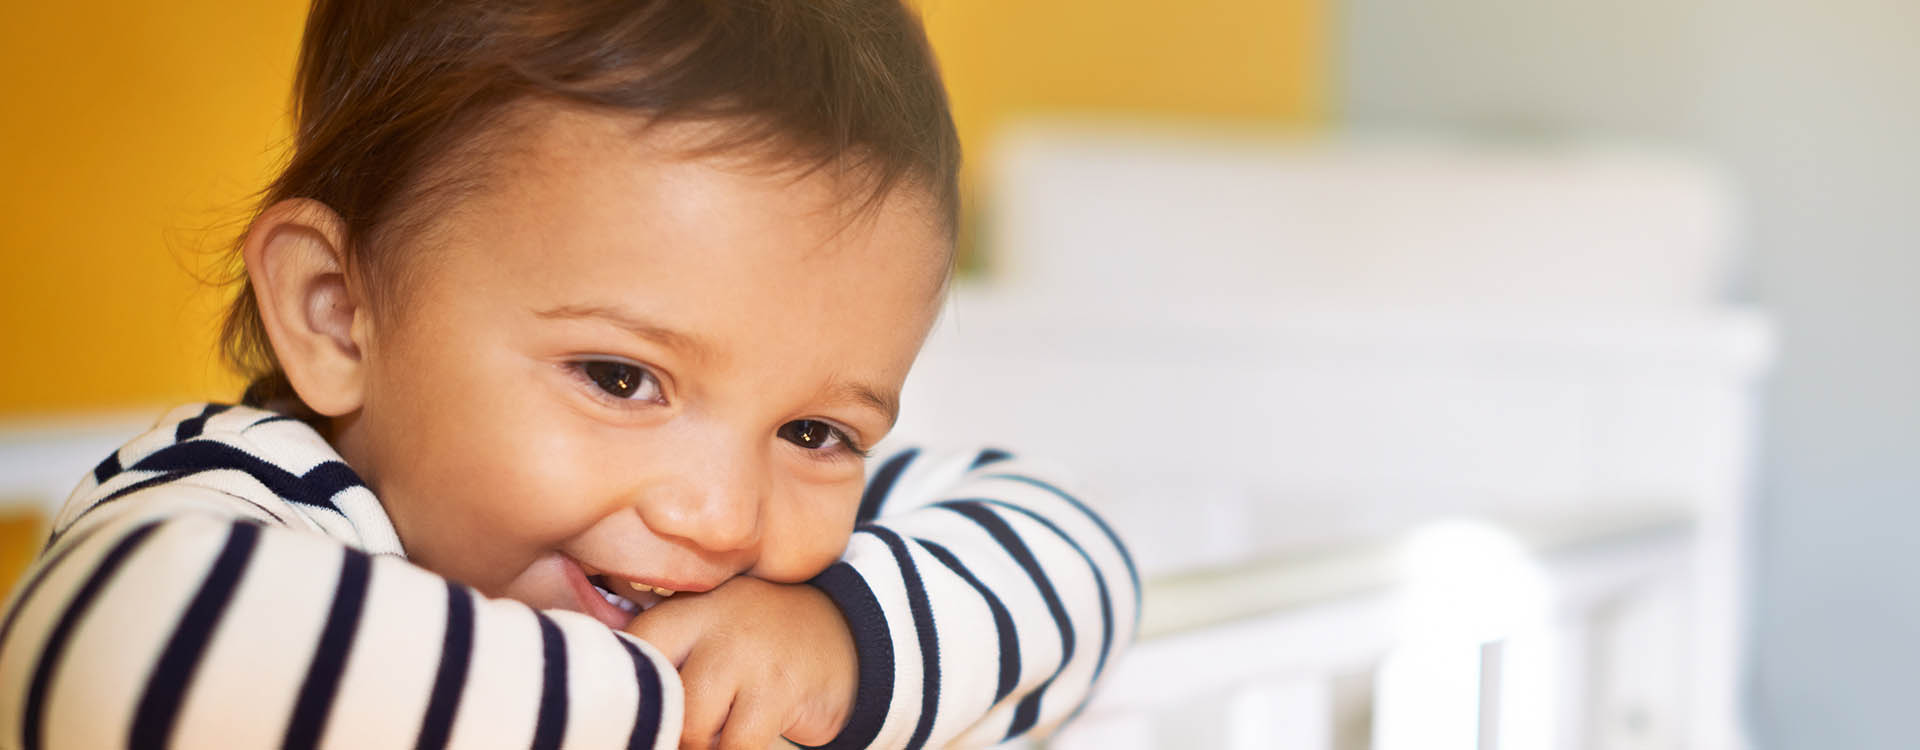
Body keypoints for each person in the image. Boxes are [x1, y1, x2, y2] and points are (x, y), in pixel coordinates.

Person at [0, 1, 1138, 748]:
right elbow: (116, 644)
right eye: (620, 378)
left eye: (816, 434)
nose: (720, 515)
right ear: (337, 315)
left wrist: (838, 648)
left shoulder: (778, 573)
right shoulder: (248, 496)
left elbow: (1078, 549)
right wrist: (674, 703)